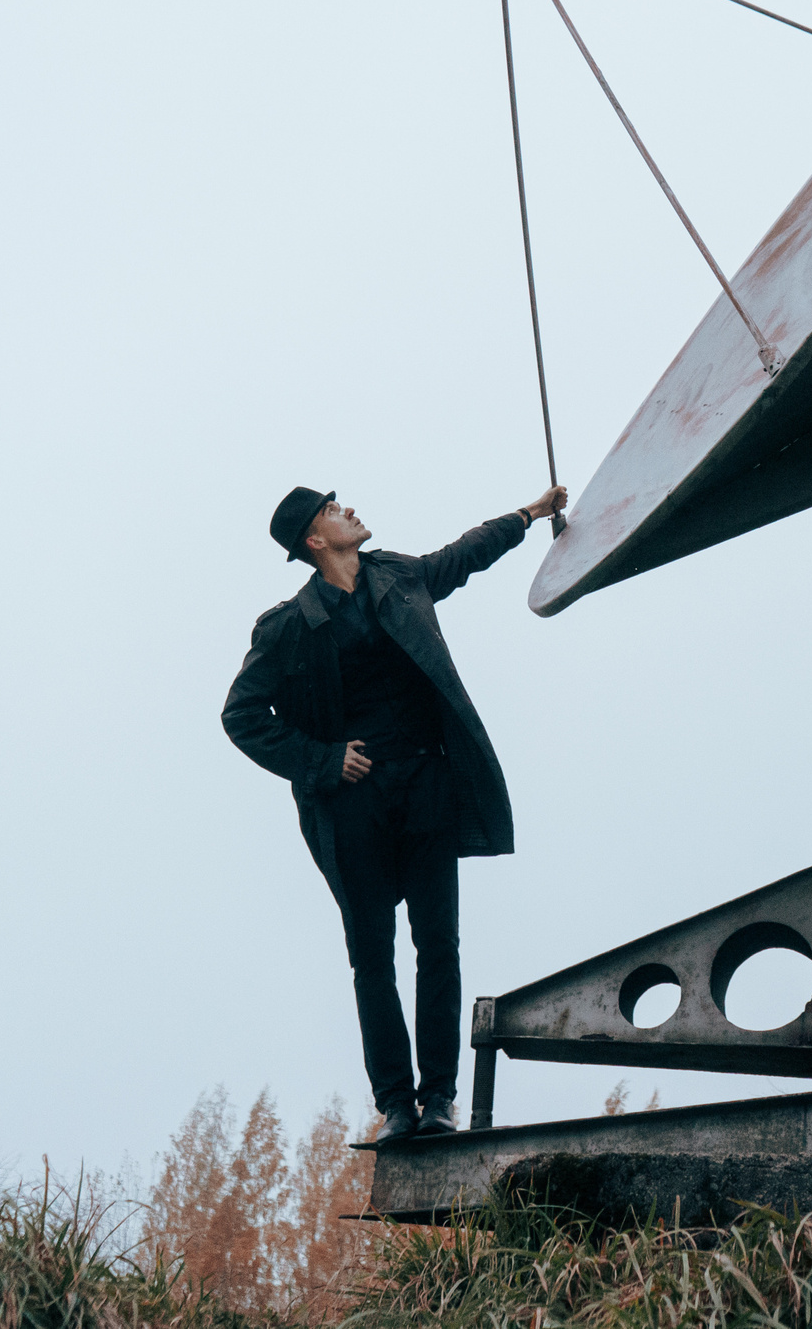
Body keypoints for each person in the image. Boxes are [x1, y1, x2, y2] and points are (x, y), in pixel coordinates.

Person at [222, 483, 565, 1148]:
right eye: (332, 508)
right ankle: (397, 1106)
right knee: (371, 957)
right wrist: (320, 759)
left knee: (439, 945)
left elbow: (463, 555)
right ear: (316, 542)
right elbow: (240, 714)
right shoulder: (288, 625)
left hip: (426, 785)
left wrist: (528, 514)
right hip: (353, 805)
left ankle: (438, 1099)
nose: (348, 507)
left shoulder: (399, 575)